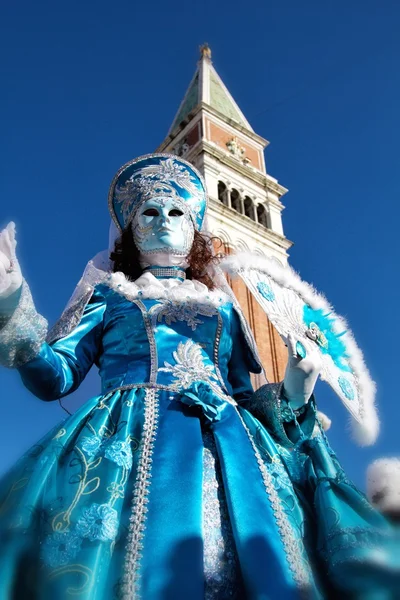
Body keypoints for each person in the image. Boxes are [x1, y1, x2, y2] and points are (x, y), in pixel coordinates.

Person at [0, 154, 397, 600]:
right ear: (131, 230)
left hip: (233, 446)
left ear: (194, 231)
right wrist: (10, 302)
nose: (164, 221)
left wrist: (293, 389)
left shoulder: (225, 308)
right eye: (149, 212)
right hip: (125, 440)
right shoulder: (110, 296)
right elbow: (54, 377)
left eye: (176, 213)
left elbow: (244, 397)